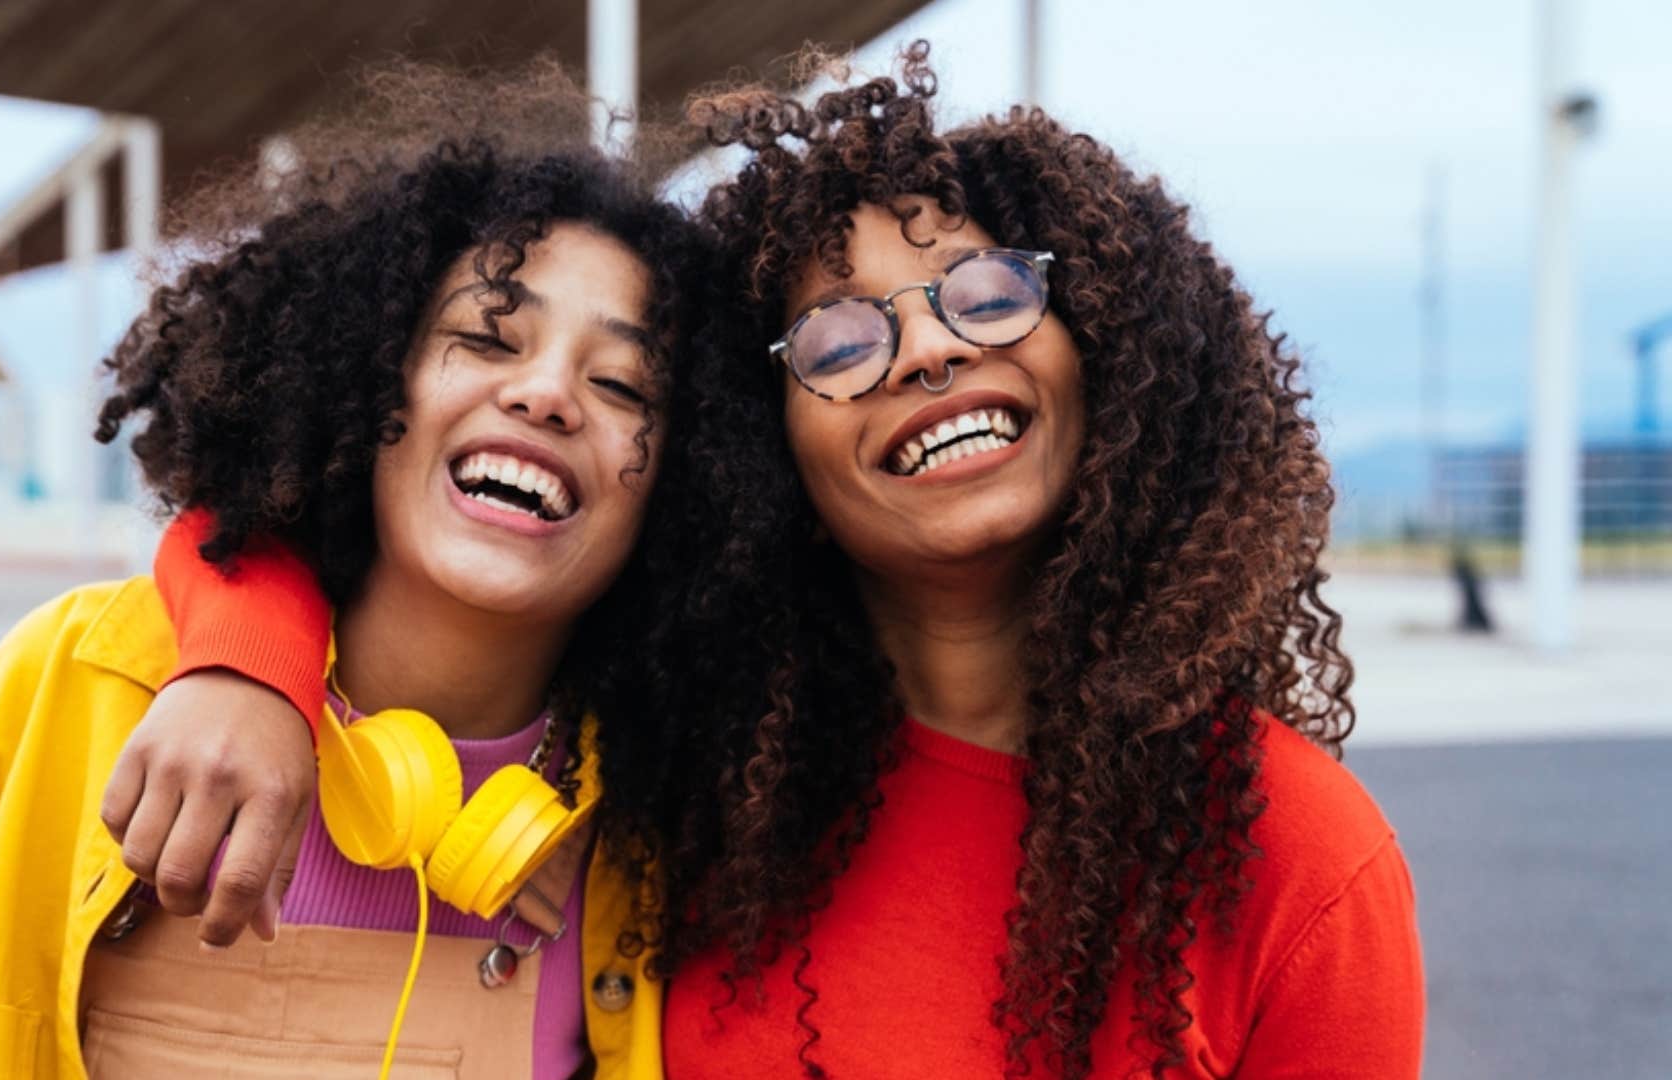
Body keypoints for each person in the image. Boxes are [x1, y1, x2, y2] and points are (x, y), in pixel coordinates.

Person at [110, 43, 1424, 1079]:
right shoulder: (689, 775)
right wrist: (247, 660)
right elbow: (329, 548)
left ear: (1113, 347)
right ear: (757, 447)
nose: (924, 353)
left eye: (986, 296)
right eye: (839, 339)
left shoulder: (1298, 859)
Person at [0, 61, 717, 1080]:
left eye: (624, 382)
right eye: (486, 337)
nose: (546, 394)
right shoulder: (75, 686)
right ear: (364, 380)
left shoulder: (664, 819)